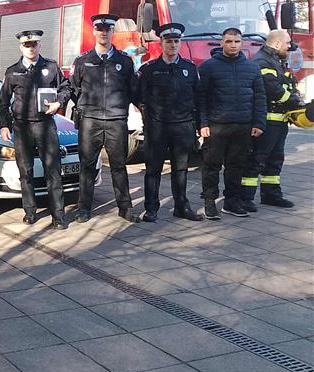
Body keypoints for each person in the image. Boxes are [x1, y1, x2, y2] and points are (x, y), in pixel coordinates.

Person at [70, 14, 141, 224]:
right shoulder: (83, 61)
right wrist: (86, 108)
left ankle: (125, 208)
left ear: (112, 32)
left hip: (116, 120)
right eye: (99, 28)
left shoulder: (124, 62)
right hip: (90, 121)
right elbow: (74, 89)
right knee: (87, 166)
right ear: (94, 31)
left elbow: (134, 91)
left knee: (119, 166)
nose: (103, 32)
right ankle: (84, 209)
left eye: (107, 29)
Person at [0, 30, 70, 230]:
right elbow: (3, 101)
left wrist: (58, 102)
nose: (31, 48)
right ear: (21, 47)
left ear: (39, 45)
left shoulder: (50, 66)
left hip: (45, 125)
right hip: (22, 127)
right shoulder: (13, 71)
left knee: (53, 171)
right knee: (26, 172)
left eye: (35, 44)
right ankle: (30, 212)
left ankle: (58, 216)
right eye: (27, 45)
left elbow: (66, 88)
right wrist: (4, 125)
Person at [197, 27, 266, 219]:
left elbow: (260, 98)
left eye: (236, 41)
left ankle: (231, 202)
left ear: (241, 43)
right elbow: (201, 99)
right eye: (229, 41)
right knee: (212, 166)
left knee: (236, 166)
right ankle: (210, 202)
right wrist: (202, 124)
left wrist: (259, 123)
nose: (233, 45)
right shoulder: (208, 67)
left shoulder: (252, 68)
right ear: (221, 43)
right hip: (216, 126)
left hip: (243, 126)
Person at [136, 23, 203, 222]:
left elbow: (198, 97)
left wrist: (198, 125)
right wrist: (148, 115)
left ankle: (181, 207)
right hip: (157, 127)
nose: (173, 45)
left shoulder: (190, 69)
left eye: (176, 41)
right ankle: (151, 209)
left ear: (180, 43)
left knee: (180, 170)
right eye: (168, 41)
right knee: (153, 169)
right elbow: (138, 95)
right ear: (161, 43)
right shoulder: (149, 69)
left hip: (182, 126)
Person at [241, 29, 302, 210]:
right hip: (266, 121)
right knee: (257, 159)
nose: (290, 46)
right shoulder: (262, 61)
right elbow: (272, 89)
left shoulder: (276, 60)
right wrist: (293, 99)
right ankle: (245, 198)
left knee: (275, 159)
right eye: (287, 43)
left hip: (279, 120)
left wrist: (294, 94)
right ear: (276, 44)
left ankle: (271, 194)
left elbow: (285, 84)